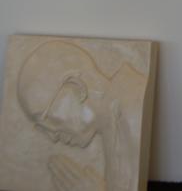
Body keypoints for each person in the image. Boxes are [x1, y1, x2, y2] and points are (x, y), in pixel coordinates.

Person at [17, 40, 146, 191]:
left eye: (45, 117)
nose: (52, 137)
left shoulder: (133, 113)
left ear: (77, 87)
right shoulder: (115, 122)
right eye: (41, 126)